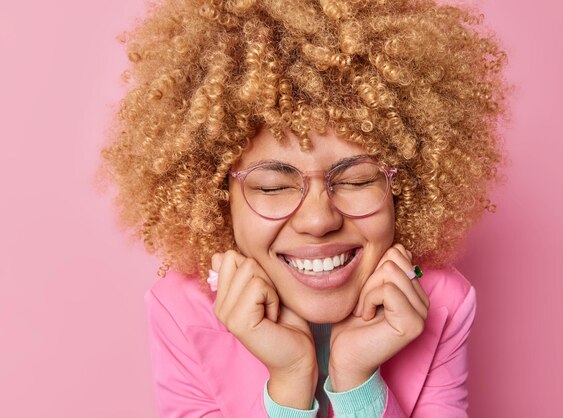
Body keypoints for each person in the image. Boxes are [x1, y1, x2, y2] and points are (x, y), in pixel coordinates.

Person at [100, 0, 507, 416]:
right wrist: (290, 383)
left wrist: (358, 385)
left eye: (357, 180)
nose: (318, 220)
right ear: (217, 195)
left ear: (404, 184)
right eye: (274, 186)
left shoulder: (443, 302)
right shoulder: (181, 312)